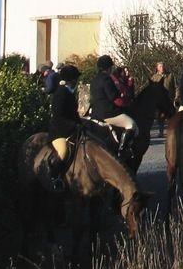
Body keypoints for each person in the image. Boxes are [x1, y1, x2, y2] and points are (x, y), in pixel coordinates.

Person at [42, 64, 82, 192]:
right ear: (71, 80)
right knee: (63, 152)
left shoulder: (69, 92)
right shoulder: (60, 93)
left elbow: (74, 113)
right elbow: (58, 116)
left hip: (71, 129)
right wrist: (74, 125)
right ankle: (54, 176)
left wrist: (81, 123)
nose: (77, 82)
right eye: (76, 79)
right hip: (59, 131)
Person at [90, 55, 137, 154]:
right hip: (107, 113)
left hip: (95, 112)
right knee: (131, 124)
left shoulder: (94, 79)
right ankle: (122, 151)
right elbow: (113, 97)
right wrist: (125, 103)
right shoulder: (107, 79)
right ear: (108, 68)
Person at [149, 61, 175, 137]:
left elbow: (175, 87)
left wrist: (176, 97)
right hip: (159, 101)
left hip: (169, 99)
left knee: (171, 117)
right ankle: (161, 132)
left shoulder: (170, 75)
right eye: (160, 66)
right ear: (157, 68)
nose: (162, 68)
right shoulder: (154, 77)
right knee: (160, 117)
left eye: (163, 66)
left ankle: (171, 132)